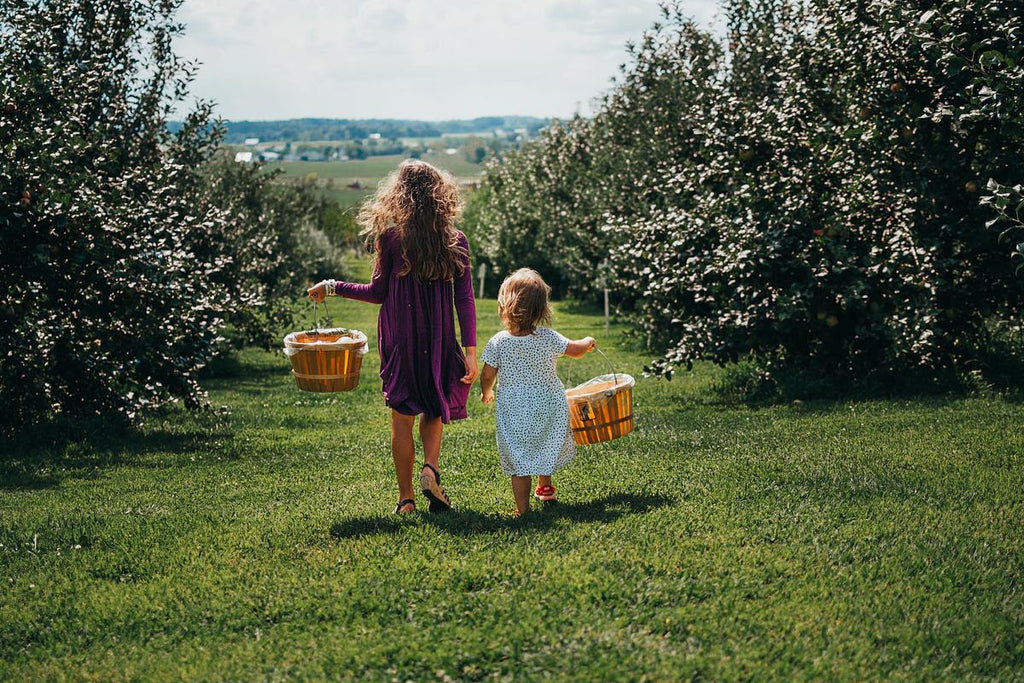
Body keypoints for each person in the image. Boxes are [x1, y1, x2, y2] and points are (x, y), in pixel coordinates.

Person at [308, 160, 478, 515]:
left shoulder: (392, 239)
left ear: (399, 196)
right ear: (439, 195)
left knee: (402, 418)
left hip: (400, 339)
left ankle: (406, 501)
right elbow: (464, 299)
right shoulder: (454, 239)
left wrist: (332, 286)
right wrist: (471, 351)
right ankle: (430, 469)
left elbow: (377, 292)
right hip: (439, 336)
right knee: (434, 407)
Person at [479, 268, 595, 515]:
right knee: (545, 443)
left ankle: (523, 510)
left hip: (515, 409)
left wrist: (486, 391)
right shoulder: (549, 338)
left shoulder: (498, 341)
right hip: (547, 404)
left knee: (519, 459)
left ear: (504, 306)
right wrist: (587, 341)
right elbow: (575, 350)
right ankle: (545, 486)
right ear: (542, 308)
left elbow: (487, 374)